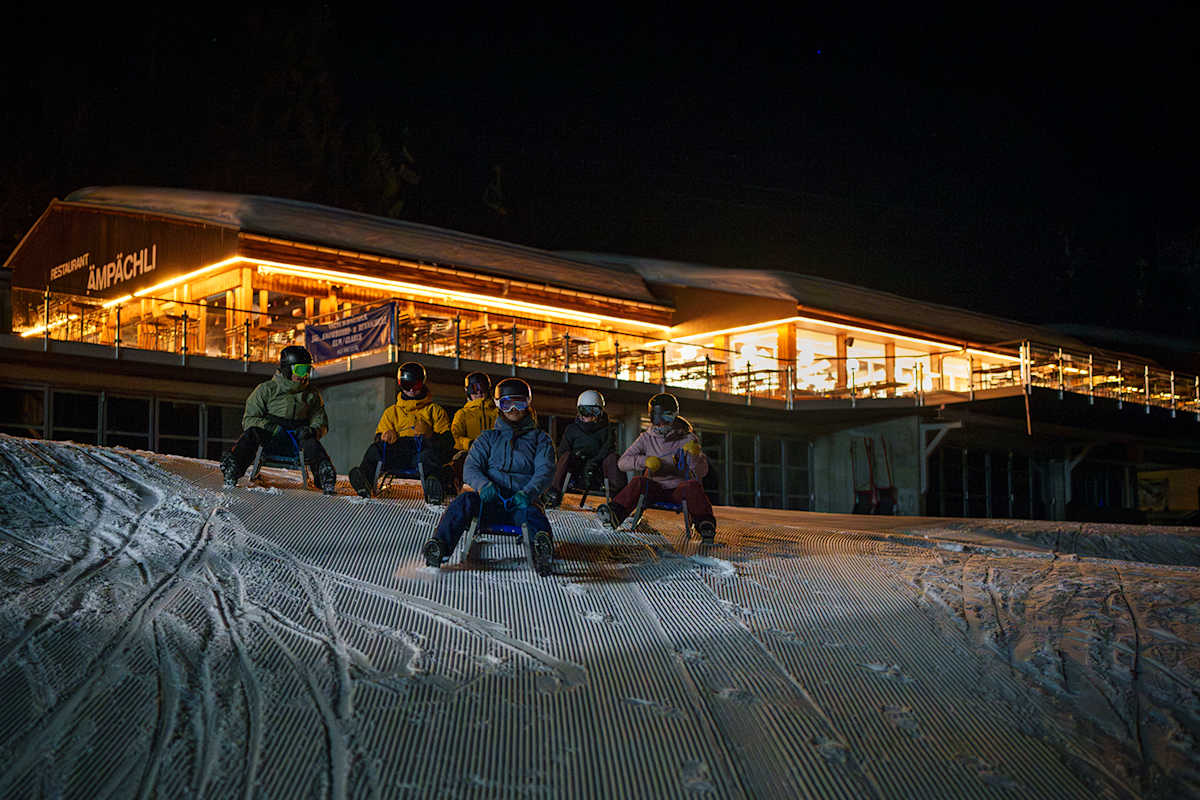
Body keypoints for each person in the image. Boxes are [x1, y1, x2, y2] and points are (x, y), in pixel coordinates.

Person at [422, 377, 555, 571]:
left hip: (521, 503)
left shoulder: (541, 439)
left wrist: (528, 493)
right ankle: (440, 546)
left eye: (519, 403)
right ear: (499, 405)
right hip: (490, 501)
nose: (514, 409)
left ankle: (542, 550)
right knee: (464, 501)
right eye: (507, 404)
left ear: (527, 404)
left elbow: (545, 470)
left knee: (534, 515)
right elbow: (471, 467)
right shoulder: (488, 438)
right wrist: (483, 485)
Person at [597, 392, 717, 543]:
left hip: (678, 489)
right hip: (654, 488)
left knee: (693, 486)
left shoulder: (687, 438)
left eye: (667, 418)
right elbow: (622, 463)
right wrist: (645, 461)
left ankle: (705, 523)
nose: (662, 424)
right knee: (638, 482)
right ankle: (615, 512)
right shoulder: (646, 438)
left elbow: (702, 472)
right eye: (657, 419)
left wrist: (695, 456)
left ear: (675, 416)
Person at [220, 345, 337, 493]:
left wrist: (312, 430)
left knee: (310, 440)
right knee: (253, 432)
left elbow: (320, 420)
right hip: (271, 438)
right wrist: (269, 427)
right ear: (287, 369)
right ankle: (234, 466)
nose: (304, 375)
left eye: (307, 370)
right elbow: (249, 419)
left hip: (297, 441)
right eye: (300, 370)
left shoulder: (311, 395)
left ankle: (324, 473)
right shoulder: (267, 389)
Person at [347, 361, 452, 503]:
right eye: (407, 385)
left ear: (422, 383)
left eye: (416, 385)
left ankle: (434, 485)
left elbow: (447, 443)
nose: (412, 390)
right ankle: (364, 478)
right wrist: (384, 436)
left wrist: (430, 435)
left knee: (429, 456)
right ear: (400, 385)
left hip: (420, 453)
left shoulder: (435, 411)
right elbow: (378, 438)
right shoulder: (392, 412)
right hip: (398, 453)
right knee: (376, 449)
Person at [543, 389, 626, 506]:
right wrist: (577, 456)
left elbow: (607, 449)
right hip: (576, 465)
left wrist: (594, 462)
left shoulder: (607, 430)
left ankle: (620, 499)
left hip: (598, 466)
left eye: (593, 412)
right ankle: (553, 491)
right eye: (584, 411)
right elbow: (563, 451)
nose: (588, 416)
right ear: (579, 411)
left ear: (600, 412)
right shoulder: (572, 429)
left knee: (613, 458)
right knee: (566, 456)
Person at [448, 371, 498, 492]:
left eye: (482, 388)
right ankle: (454, 486)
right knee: (460, 458)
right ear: (468, 391)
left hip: (495, 453)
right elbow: (454, 436)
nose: (479, 392)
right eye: (474, 389)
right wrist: (469, 443)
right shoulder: (463, 414)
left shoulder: (497, 413)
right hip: (472, 452)